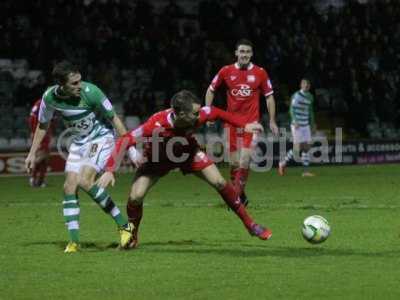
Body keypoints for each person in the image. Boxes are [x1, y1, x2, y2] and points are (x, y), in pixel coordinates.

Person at [97, 90, 273, 249]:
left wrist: (244, 125)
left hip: (188, 153)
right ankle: (132, 236)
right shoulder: (155, 124)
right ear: (181, 114)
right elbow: (125, 139)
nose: (199, 116)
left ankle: (250, 225)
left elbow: (217, 112)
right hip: (158, 160)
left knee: (219, 181)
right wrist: (110, 169)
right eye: (195, 113)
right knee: (136, 197)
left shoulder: (199, 115)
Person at [25, 61, 134, 253]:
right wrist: (32, 153)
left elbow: (114, 118)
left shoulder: (92, 92)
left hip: (101, 138)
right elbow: (42, 125)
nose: (80, 86)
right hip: (79, 142)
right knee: (69, 186)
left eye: (80, 81)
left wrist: (130, 150)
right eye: (74, 83)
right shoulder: (49, 98)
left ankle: (124, 225)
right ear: (61, 84)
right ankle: (74, 242)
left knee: (85, 180)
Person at [205, 39, 278, 205]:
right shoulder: (226, 71)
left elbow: (269, 97)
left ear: (251, 54)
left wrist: (272, 120)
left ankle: (235, 199)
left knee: (245, 160)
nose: (244, 54)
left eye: (247, 52)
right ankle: (241, 193)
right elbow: (210, 90)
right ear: (236, 53)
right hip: (231, 124)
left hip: (251, 124)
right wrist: (207, 111)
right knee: (234, 163)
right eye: (242, 52)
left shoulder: (260, 73)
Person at [278, 78, 316, 177]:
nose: (306, 85)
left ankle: (305, 172)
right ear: (301, 85)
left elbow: (311, 111)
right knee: (297, 148)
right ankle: (283, 163)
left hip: (306, 125)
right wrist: (294, 120)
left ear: (309, 86)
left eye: (307, 84)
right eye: (304, 83)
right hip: (297, 125)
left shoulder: (310, 97)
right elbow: (291, 109)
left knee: (307, 147)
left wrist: (313, 124)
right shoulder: (297, 95)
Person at [28, 98, 52, 187]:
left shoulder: (39, 104)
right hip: (41, 134)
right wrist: (34, 132)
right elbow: (32, 119)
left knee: (45, 160)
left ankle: (40, 181)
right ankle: (32, 177)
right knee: (43, 156)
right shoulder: (41, 104)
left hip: (44, 133)